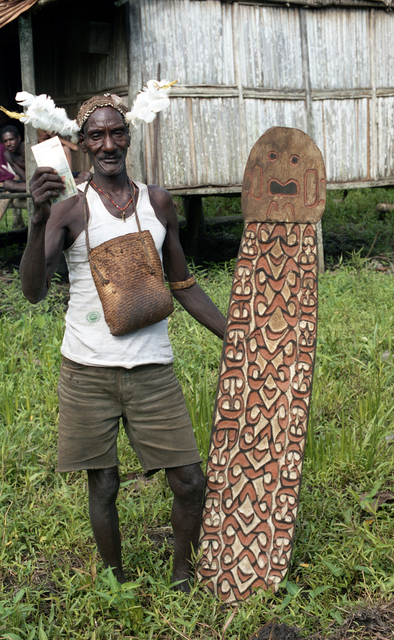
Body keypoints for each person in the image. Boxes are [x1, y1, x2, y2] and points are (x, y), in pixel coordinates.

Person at [20, 94, 227, 592]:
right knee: (105, 483)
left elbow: (183, 284)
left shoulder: (158, 202)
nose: (108, 144)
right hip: (87, 369)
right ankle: (115, 581)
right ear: (83, 144)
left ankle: (182, 577)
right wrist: (36, 219)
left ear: (129, 136)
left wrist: (238, 336)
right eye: (97, 136)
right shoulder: (69, 209)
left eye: (117, 133)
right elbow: (32, 291)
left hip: (152, 367)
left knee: (189, 481)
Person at [1, 125, 26, 192]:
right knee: (7, 184)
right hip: (29, 182)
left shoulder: (26, 148)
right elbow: (24, 177)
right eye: (5, 141)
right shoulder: (7, 155)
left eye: (11, 139)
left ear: (18, 138)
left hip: (40, 178)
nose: (8, 144)